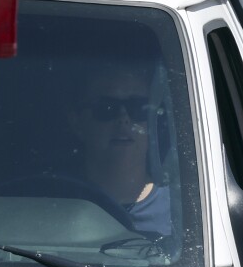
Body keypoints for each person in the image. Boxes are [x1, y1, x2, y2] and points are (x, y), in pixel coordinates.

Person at [65, 63, 172, 238]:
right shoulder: (51, 205)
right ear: (77, 123)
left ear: (152, 122)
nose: (124, 119)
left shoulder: (185, 214)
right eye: (106, 108)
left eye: (138, 108)